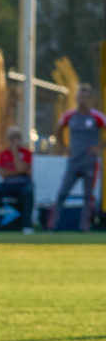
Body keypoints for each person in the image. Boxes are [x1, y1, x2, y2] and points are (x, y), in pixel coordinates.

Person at [49, 83, 106, 232]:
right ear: (76, 98)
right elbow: (58, 129)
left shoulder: (96, 116)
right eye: (81, 96)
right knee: (62, 193)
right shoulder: (69, 116)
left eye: (86, 97)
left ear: (91, 100)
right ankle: (52, 225)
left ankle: (84, 227)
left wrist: (100, 148)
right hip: (73, 161)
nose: (83, 100)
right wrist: (63, 147)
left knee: (88, 196)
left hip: (89, 162)